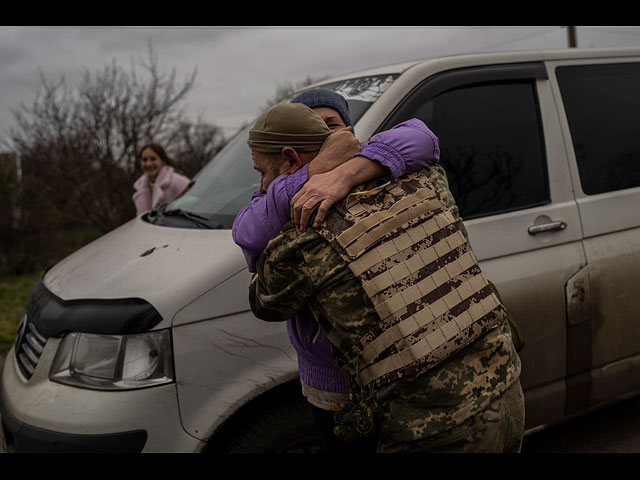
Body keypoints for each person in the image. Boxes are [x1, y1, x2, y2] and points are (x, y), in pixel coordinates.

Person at [244, 102, 525, 453]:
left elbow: (264, 300)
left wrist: (278, 200)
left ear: (289, 161)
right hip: (506, 391)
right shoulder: (424, 178)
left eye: (263, 172)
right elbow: (421, 140)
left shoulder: (301, 242)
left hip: (434, 431)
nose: (262, 184)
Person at [232, 91, 441, 452]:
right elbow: (247, 231)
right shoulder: (275, 194)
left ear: (348, 132)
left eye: (330, 125)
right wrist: (311, 175)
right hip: (329, 381)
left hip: (398, 372)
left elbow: (423, 139)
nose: (320, 134)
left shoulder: (373, 165)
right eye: (309, 124)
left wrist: (345, 172)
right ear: (290, 151)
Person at [132, 143, 190, 215]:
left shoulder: (178, 181)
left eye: (153, 159)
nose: (148, 164)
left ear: (163, 161)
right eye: (144, 160)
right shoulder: (140, 187)